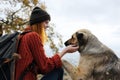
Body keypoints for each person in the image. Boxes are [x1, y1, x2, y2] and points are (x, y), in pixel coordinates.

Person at [15, 6, 79, 80]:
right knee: (58, 71)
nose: (47, 26)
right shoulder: (33, 36)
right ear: (38, 23)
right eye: (46, 22)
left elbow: (38, 67)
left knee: (56, 68)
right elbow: (45, 67)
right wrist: (65, 51)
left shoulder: (23, 36)